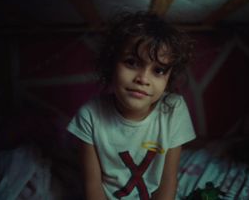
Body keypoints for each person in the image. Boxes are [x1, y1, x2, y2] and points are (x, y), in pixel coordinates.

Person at [67, 11, 197, 200]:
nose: (143, 79)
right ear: (111, 64)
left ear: (169, 77)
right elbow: (92, 187)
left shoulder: (173, 109)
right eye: (131, 62)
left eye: (158, 70)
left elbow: (168, 182)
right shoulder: (90, 115)